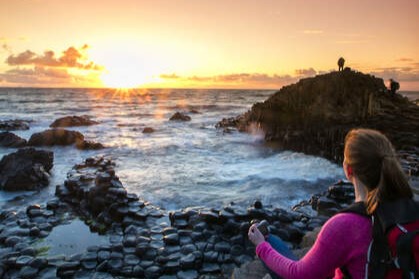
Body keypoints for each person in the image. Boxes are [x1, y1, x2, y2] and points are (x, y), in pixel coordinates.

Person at [248, 128, 415, 279]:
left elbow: (299, 274)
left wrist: (260, 246)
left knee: (269, 243)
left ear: (349, 170)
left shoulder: (346, 225)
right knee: (274, 241)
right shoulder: (411, 210)